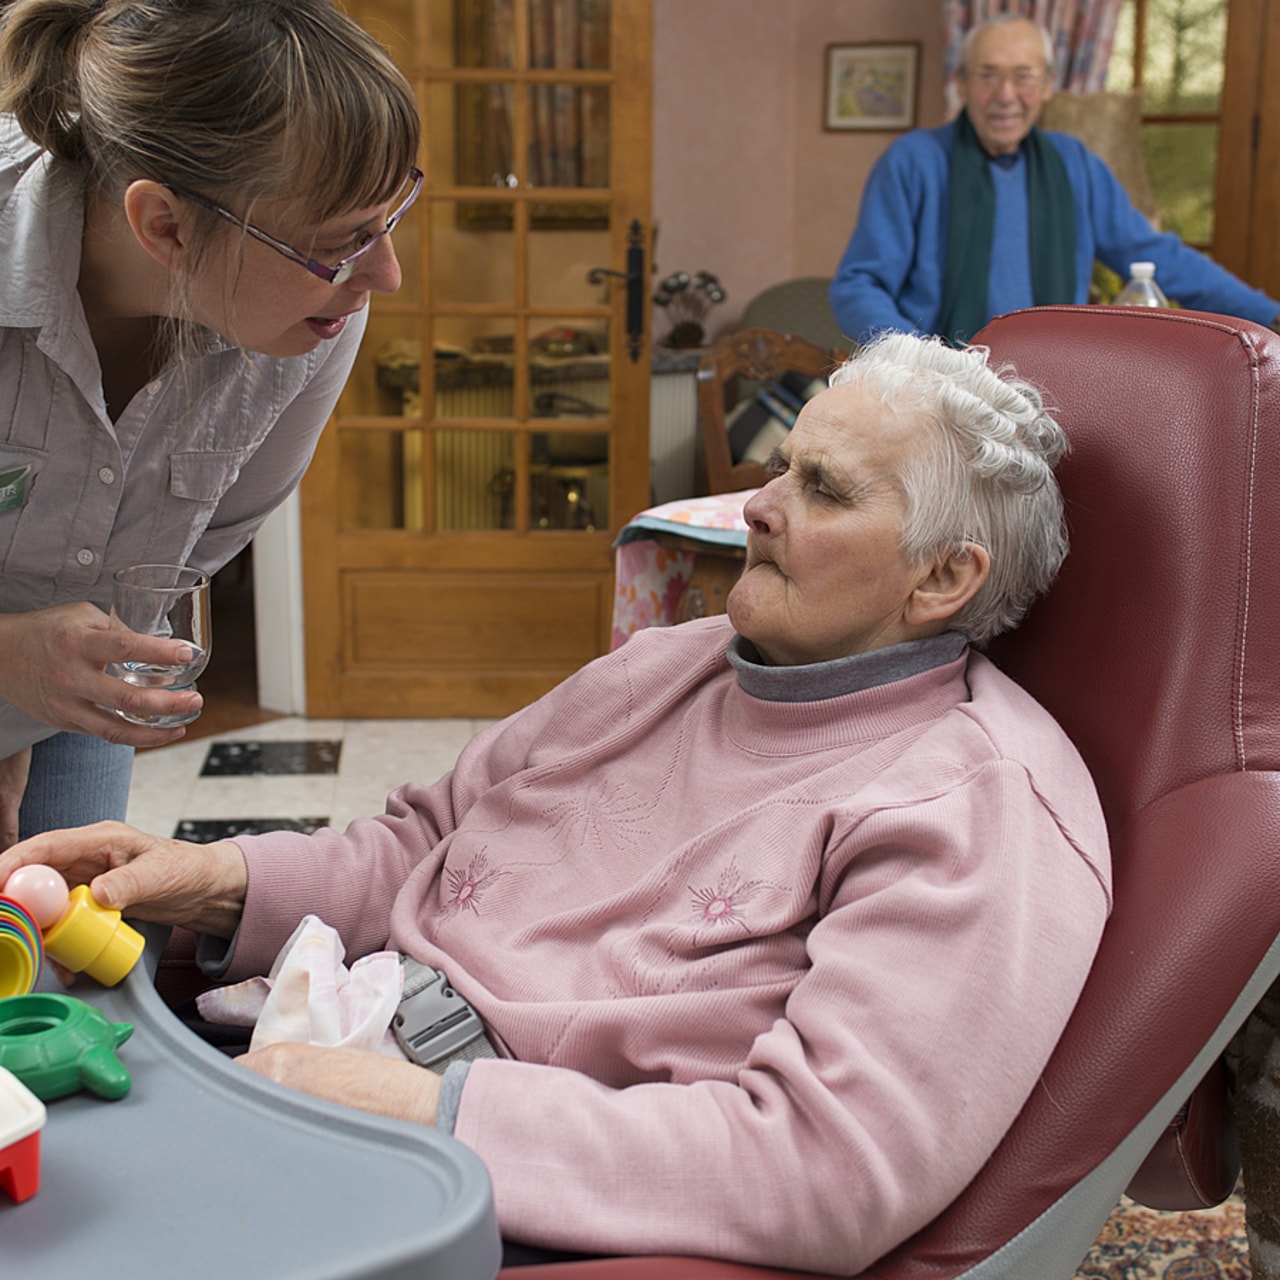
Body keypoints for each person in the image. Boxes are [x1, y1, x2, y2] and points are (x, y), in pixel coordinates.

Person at [0, 333, 1113, 1275]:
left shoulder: (971, 805)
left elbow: (819, 1164)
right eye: (783, 466)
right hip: (326, 1053)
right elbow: (424, 841)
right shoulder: (674, 663)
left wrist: (423, 1106)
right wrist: (215, 877)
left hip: (494, 1189)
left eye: (821, 490)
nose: (758, 506)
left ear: (941, 579)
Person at [0, 0, 420, 850]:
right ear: (164, 226)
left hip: (80, 679)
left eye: (390, 218)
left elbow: (195, 550)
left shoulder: (315, 313)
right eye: (341, 242)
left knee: (59, 959)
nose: (387, 273)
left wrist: (17, 718)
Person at [829, 14, 1280, 346]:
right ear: (962, 84)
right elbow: (857, 286)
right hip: (937, 386)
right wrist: (919, 357)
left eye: (1023, 77)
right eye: (988, 76)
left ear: (1046, 85)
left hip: (1051, 379)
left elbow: (1157, 256)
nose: (1005, 96)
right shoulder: (913, 160)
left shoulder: (1074, 163)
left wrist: (1268, 315)